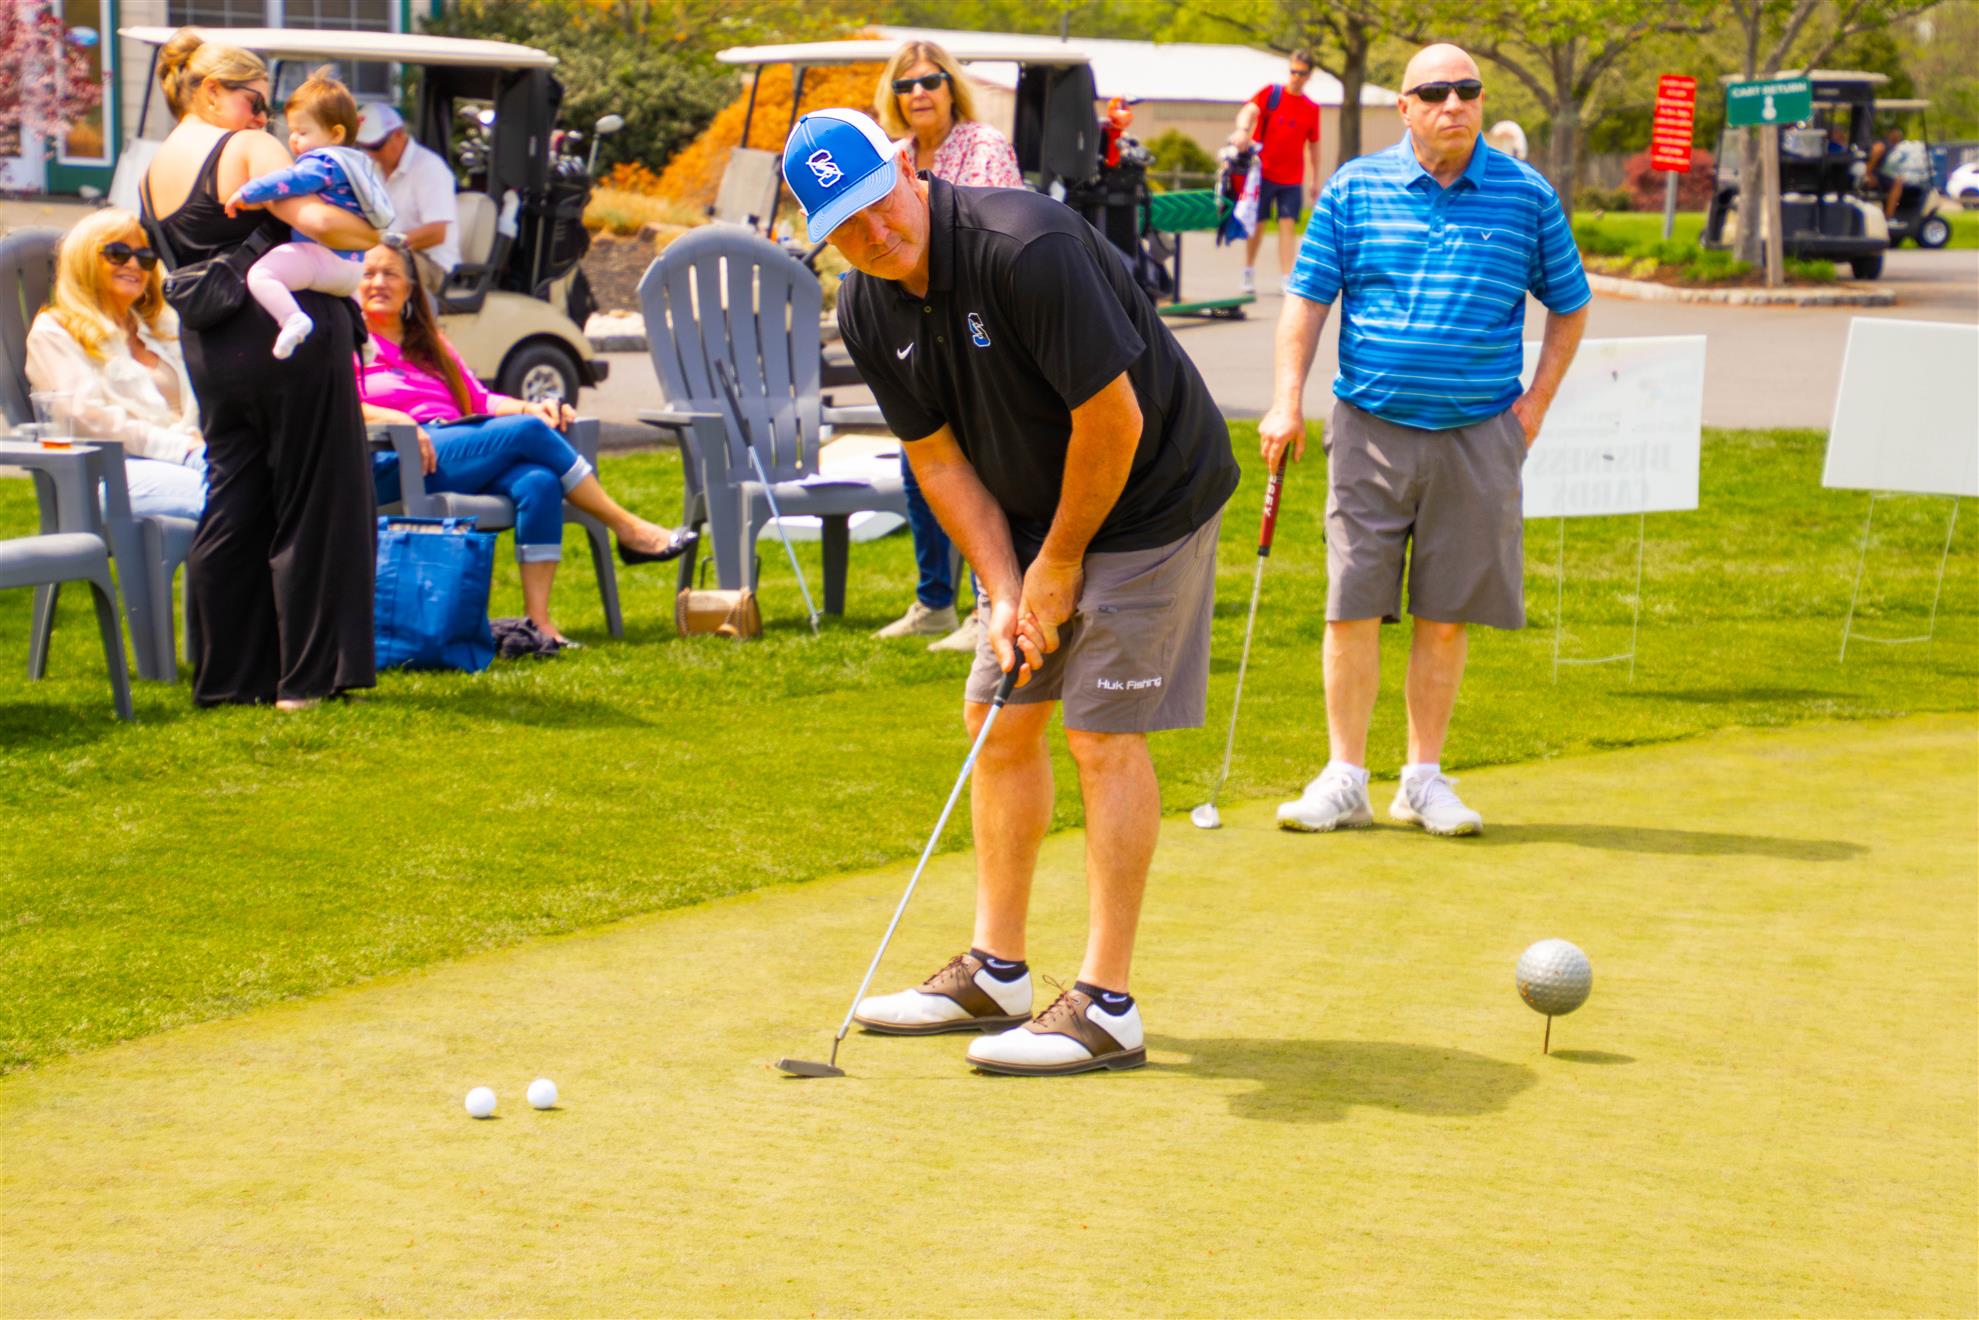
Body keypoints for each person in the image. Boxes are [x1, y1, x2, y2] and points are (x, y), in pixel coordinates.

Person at [783, 109, 1238, 1076]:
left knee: (1100, 732)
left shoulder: (1024, 246)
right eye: (845, 227)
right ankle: (996, 973)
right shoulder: (866, 307)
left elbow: (1112, 422)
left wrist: (1060, 564)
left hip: (1151, 491)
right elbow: (938, 461)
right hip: (1032, 508)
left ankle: (1107, 1005)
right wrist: (1001, 587)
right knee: (996, 718)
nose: (874, 234)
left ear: (907, 168)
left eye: (878, 202)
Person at [1261, 42, 1590, 838]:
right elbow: (1306, 301)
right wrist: (1285, 402)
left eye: (1467, 91)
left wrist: (1534, 409)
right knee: (1352, 605)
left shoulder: (1525, 194)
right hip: (1368, 427)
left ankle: (1421, 778)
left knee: (1445, 613)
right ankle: (1344, 777)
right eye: (1435, 93)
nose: (1454, 105)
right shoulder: (1354, 188)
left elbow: (1570, 303)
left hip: (1478, 433)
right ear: (1403, 108)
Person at [142, 28, 380, 710]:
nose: (264, 117)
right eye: (256, 101)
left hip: (212, 343)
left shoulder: (154, 169)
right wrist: (375, 231)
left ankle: (228, 679)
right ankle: (307, 679)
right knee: (316, 498)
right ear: (213, 91)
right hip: (285, 333)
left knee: (234, 500)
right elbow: (317, 220)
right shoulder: (246, 146)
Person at [355, 239, 693, 649]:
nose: (378, 282)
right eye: (368, 274)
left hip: (453, 449)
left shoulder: (430, 344)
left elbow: (481, 401)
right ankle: (628, 527)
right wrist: (397, 419)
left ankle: (539, 626)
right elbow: (334, 403)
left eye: (390, 273)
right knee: (529, 433)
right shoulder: (349, 343)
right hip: (395, 460)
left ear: (410, 287)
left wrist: (530, 406)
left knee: (538, 482)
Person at [869, 39, 1023, 654]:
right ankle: (935, 601)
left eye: (930, 81)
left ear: (950, 87)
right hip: (919, 329)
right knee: (920, 466)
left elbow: (998, 230)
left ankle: (991, 607)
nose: (919, 93)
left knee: (987, 470)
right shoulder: (893, 156)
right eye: (905, 85)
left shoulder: (983, 145)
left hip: (981, 325)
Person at [25, 208, 206, 521]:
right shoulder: (55, 331)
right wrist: (180, 448)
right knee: (233, 499)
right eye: (118, 253)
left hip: (192, 459)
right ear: (84, 259)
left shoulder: (164, 329)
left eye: (145, 257)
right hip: (113, 474)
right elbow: (82, 417)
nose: (134, 264)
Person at [223, 68, 394, 360]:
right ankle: (366, 341)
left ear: (335, 133)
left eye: (302, 132)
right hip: (353, 270)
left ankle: (292, 319)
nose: (293, 140)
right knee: (348, 298)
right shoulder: (356, 163)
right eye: (292, 131)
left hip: (324, 257)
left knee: (262, 275)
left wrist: (249, 192)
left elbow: (292, 180)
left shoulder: (323, 162)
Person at [1234, 51, 1323, 296]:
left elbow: (1314, 146)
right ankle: (1248, 270)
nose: (1296, 77)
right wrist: (1242, 130)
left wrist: (1314, 178)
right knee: (1258, 224)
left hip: (1292, 177)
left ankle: (1286, 276)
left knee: (1287, 224)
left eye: (1301, 73)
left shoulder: (1311, 108)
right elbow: (1248, 110)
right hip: (1263, 173)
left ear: (1309, 75)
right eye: (1293, 71)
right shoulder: (1271, 94)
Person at [356, 104, 459, 293]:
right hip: (386, 253)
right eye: (365, 146)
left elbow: (436, 233)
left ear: (398, 134)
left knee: (372, 275)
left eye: (376, 146)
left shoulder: (429, 168)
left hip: (430, 261)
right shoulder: (370, 167)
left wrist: (386, 243)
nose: (371, 153)